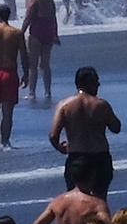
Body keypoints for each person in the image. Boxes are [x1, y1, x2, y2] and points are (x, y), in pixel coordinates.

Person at [49, 67, 121, 200]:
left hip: (77, 158)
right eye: (96, 81)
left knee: (76, 200)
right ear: (87, 82)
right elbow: (116, 128)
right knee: (99, 201)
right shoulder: (101, 105)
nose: (98, 85)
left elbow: (53, 135)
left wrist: (61, 148)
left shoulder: (64, 105)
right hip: (100, 157)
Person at [22, 0, 59, 100]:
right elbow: (54, 19)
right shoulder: (49, 0)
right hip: (48, 32)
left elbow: (28, 18)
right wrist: (55, 34)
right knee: (45, 64)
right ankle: (47, 91)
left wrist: (21, 32)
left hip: (37, 32)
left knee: (33, 64)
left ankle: (32, 92)